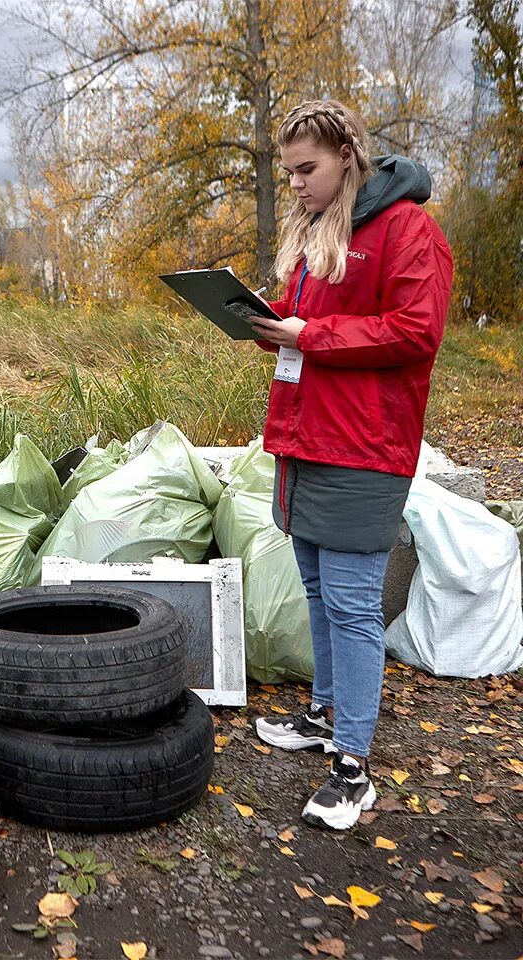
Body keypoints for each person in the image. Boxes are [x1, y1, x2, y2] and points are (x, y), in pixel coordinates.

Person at [247, 100, 453, 830]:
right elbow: (313, 323)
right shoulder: (319, 230)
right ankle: (323, 713)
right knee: (315, 589)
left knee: (354, 602)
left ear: (347, 155)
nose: (297, 184)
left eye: (307, 169)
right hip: (304, 437)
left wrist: (313, 333)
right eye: (289, 172)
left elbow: (415, 330)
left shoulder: (406, 229)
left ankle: (353, 767)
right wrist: (263, 317)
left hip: (366, 446)